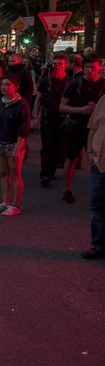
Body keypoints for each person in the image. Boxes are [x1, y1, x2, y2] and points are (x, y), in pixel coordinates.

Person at [59, 54, 105, 203]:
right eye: (86, 67)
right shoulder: (75, 84)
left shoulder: (103, 85)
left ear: (99, 68)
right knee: (71, 158)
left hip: (97, 130)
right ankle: (67, 189)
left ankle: (97, 191)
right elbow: (62, 106)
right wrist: (81, 110)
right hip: (76, 126)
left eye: (93, 67)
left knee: (98, 160)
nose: (89, 70)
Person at [0, 75, 31, 216]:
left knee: (15, 174)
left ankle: (15, 204)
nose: (4, 87)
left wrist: (18, 149)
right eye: (2, 85)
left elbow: (23, 129)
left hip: (14, 143)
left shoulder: (22, 105)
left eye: (7, 84)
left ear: (15, 87)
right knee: (3, 173)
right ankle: (4, 202)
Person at [33, 53, 70, 187]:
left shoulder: (69, 82)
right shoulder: (45, 81)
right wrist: (35, 116)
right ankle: (45, 173)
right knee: (47, 146)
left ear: (65, 65)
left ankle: (52, 170)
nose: (56, 67)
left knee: (58, 146)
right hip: (48, 117)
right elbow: (38, 98)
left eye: (59, 64)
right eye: (54, 64)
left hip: (63, 118)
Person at [82, 94, 105, 259]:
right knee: (97, 206)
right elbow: (92, 128)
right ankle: (99, 245)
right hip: (99, 162)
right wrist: (89, 151)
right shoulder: (103, 100)